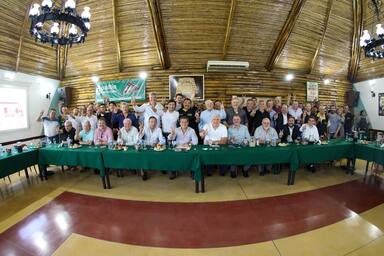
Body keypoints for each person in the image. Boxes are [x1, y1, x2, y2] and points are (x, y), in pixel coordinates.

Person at [138, 116, 165, 180]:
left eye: (154, 122)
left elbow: (162, 140)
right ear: (148, 122)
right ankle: (143, 172)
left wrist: (157, 144)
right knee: (142, 157)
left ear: (156, 123)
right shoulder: (145, 128)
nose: (153, 123)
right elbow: (138, 139)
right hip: (146, 147)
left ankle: (162, 167)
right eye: (151, 122)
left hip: (155, 147)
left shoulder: (159, 129)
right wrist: (140, 130)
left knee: (160, 155)